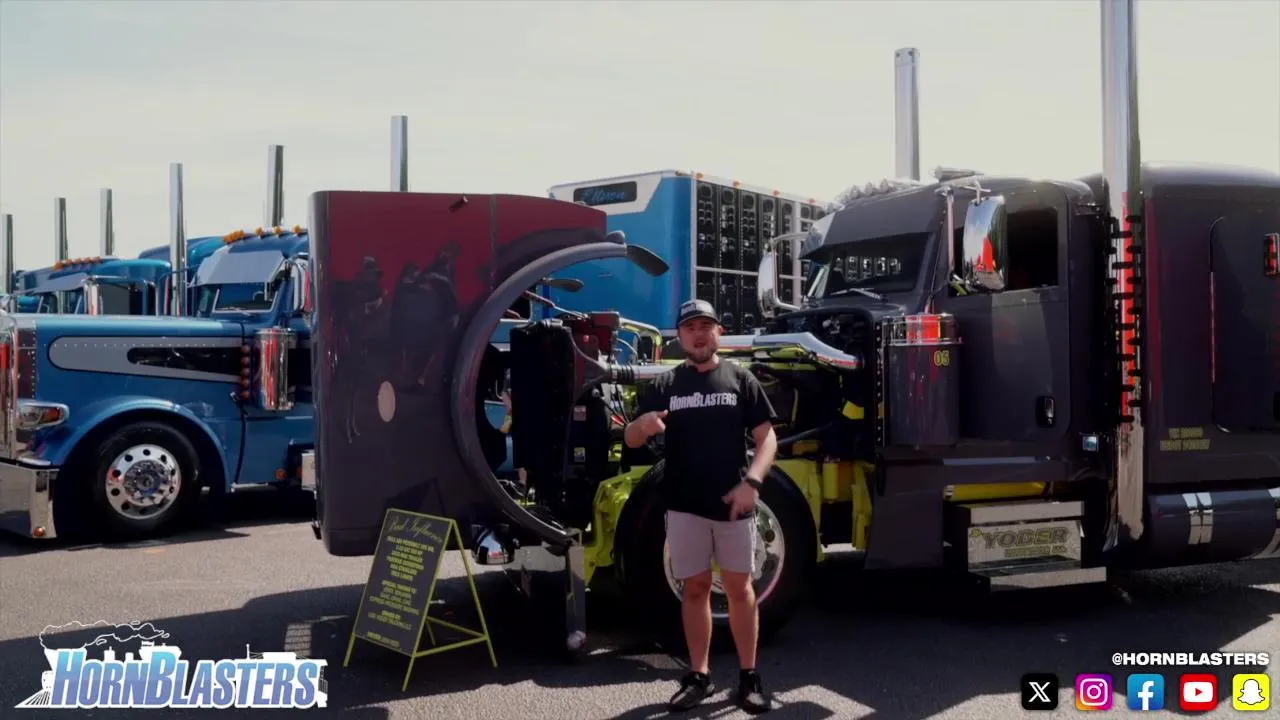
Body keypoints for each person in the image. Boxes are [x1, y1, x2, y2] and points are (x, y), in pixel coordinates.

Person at [623, 298, 779, 714]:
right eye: (690, 328)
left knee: (740, 590)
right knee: (694, 590)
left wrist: (753, 482)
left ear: (718, 333)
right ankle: (699, 676)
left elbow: (767, 438)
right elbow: (631, 439)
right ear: (679, 336)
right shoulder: (665, 385)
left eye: (705, 326)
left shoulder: (740, 379)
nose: (698, 334)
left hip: (732, 508)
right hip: (684, 506)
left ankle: (749, 677)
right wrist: (641, 426)